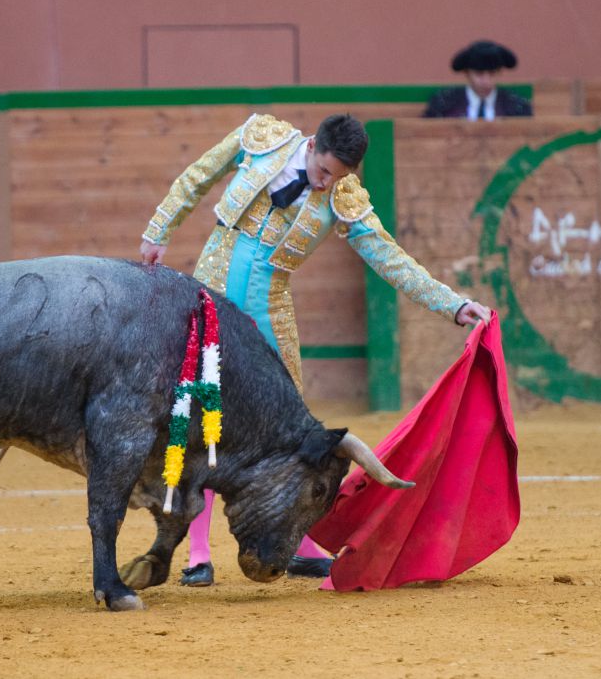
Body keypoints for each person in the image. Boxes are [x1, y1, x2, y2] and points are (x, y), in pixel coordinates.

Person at [139, 112, 491, 586]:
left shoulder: (343, 197)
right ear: (312, 146)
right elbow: (196, 177)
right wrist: (158, 232)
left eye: (339, 178)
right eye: (324, 172)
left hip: (269, 313)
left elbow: (388, 257)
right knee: (201, 418)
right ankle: (197, 555)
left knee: (290, 435)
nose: (326, 184)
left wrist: (453, 305)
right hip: (211, 296)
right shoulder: (260, 138)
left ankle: (300, 544)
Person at [423, 39, 532, 120]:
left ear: (499, 73)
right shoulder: (444, 105)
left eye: (492, 74)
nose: (486, 80)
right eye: (479, 74)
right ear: (467, 73)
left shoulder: (516, 107)